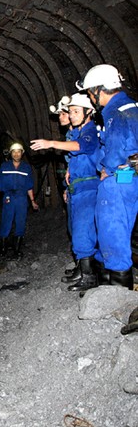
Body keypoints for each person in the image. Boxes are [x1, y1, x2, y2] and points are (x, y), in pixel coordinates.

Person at [76, 64, 138, 291]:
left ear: (99, 90)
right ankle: (108, 282)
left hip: (119, 177)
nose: (92, 98)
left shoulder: (114, 111)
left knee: (111, 228)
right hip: (131, 176)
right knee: (122, 225)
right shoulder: (132, 106)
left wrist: (106, 168)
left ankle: (118, 290)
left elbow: (117, 146)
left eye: (91, 92)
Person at [30, 93, 100, 291]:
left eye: (75, 111)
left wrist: (51, 143)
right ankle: (83, 270)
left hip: (88, 187)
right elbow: (77, 157)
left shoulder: (89, 131)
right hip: (78, 188)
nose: (70, 115)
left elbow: (81, 147)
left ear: (88, 113)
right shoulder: (78, 132)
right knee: (78, 230)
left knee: (84, 230)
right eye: (70, 111)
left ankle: (89, 276)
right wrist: (69, 172)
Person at [0, 142, 39, 258]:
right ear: (11, 153)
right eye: (14, 152)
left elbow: (29, 186)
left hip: (22, 198)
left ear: (22, 153)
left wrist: (32, 201)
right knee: (6, 221)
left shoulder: (26, 168)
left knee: (21, 222)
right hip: (8, 197)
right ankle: (3, 248)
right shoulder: (4, 166)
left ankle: (17, 249)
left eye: (19, 152)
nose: (16, 154)